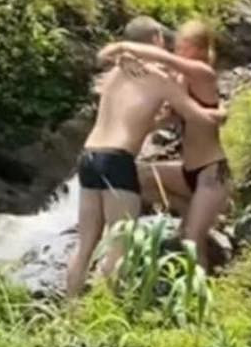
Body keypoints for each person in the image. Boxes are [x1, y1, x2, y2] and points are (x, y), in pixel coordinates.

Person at [97, 20, 230, 271]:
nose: (177, 51)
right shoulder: (182, 80)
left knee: (191, 241)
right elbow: (169, 112)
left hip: (212, 175)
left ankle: (198, 285)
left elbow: (164, 60)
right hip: (188, 172)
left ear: (199, 48)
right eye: (177, 46)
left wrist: (124, 46)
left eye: (183, 47)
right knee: (136, 176)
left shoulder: (203, 72)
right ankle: (189, 210)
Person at [67, 17, 175, 297]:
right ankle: (103, 308)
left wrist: (161, 122)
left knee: (85, 245)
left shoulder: (116, 71)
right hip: (117, 161)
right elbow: (192, 109)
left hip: (90, 156)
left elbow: (132, 122)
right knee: (119, 246)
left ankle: (70, 311)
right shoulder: (159, 75)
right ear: (156, 39)